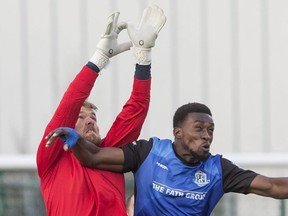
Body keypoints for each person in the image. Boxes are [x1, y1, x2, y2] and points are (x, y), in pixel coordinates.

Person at [47, 102, 288, 216]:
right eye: (199, 129)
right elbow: (94, 157)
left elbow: (273, 187)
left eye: (211, 130)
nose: (206, 136)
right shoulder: (148, 153)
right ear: (178, 132)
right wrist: (75, 138)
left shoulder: (218, 170)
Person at [37, 5, 166, 216]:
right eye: (80, 117)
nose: (90, 121)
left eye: (93, 117)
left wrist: (143, 56)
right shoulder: (52, 156)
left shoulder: (110, 151)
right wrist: (99, 58)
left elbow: (136, 109)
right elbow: (68, 105)